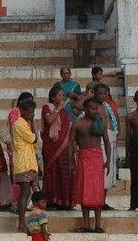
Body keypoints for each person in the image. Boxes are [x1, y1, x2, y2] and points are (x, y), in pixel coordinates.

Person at [67, 98, 108, 233]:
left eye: (96, 108)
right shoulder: (77, 125)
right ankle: (86, 224)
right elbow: (70, 144)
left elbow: (107, 142)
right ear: (84, 109)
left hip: (97, 159)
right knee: (83, 191)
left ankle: (98, 224)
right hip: (83, 158)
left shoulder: (101, 123)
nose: (95, 111)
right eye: (92, 108)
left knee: (97, 192)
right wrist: (70, 161)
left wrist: (108, 160)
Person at [41, 85, 73, 210]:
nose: (62, 98)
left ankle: (65, 202)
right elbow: (49, 121)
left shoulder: (66, 111)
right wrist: (58, 109)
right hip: (51, 147)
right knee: (52, 173)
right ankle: (51, 201)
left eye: (63, 96)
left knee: (64, 173)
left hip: (64, 147)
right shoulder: (47, 108)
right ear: (53, 97)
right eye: (59, 96)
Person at [11, 98, 39, 233]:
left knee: (30, 192)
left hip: (29, 161)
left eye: (32, 113)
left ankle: (35, 221)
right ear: (21, 111)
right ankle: (21, 223)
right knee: (25, 193)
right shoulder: (19, 124)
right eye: (28, 113)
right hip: (24, 163)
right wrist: (32, 121)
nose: (31, 115)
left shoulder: (24, 123)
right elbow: (34, 138)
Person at [91, 84, 119, 207]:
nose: (102, 96)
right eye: (100, 93)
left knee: (109, 171)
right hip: (98, 140)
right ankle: (94, 200)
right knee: (98, 171)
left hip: (111, 139)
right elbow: (78, 106)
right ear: (95, 93)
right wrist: (88, 96)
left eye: (105, 93)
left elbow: (114, 122)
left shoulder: (107, 106)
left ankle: (103, 201)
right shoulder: (92, 106)